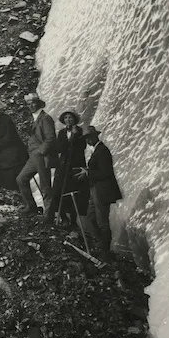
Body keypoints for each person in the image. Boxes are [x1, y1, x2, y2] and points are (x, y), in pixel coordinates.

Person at [75, 125, 122, 262]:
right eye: (86, 138)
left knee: (102, 222)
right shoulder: (98, 150)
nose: (88, 140)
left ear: (96, 136)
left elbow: (105, 172)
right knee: (90, 218)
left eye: (90, 137)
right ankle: (101, 245)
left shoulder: (102, 151)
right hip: (95, 189)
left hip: (102, 191)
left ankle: (105, 252)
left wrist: (88, 172)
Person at [16, 93, 58, 218]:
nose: (31, 106)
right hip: (34, 156)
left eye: (33, 103)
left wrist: (41, 151)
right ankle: (31, 206)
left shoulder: (45, 118)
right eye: (28, 104)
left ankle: (48, 215)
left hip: (42, 155)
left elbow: (51, 138)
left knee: (45, 185)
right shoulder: (34, 118)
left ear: (38, 103)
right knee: (21, 179)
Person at [52, 110, 89, 228]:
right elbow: (58, 148)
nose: (68, 120)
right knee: (58, 190)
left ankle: (73, 220)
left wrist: (75, 136)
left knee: (75, 192)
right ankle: (63, 217)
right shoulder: (62, 133)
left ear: (74, 120)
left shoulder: (80, 132)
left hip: (75, 166)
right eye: (66, 118)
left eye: (70, 118)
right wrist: (69, 139)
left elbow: (82, 146)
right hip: (63, 166)